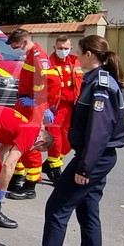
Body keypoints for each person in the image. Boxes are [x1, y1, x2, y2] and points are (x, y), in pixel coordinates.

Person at [10, 35, 124, 246]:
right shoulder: (95, 80)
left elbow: (99, 131)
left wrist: (85, 167)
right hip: (96, 156)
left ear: (88, 55)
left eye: (78, 51)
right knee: (87, 210)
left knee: (57, 208)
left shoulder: (100, 85)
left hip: (93, 158)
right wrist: (54, 143)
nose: (72, 55)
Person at [5, 28, 52, 200]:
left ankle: (30, 186)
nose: (16, 50)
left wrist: (39, 104)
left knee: (30, 145)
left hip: (33, 107)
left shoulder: (38, 56)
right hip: (24, 104)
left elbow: (47, 84)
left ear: (24, 41)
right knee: (17, 142)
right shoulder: (30, 54)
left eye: (16, 46)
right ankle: (17, 178)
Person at [42, 35, 83, 184]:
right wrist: (45, 108)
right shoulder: (47, 63)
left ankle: (49, 164)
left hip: (71, 107)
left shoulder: (75, 61)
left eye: (66, 48)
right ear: (54, 48)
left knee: (68, 140)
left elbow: (80, 83)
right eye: (60, 48)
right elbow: (40, 88)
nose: (63, 51)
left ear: (71, 49)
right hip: (54, 108)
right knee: (55, 139)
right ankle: (55, 170)